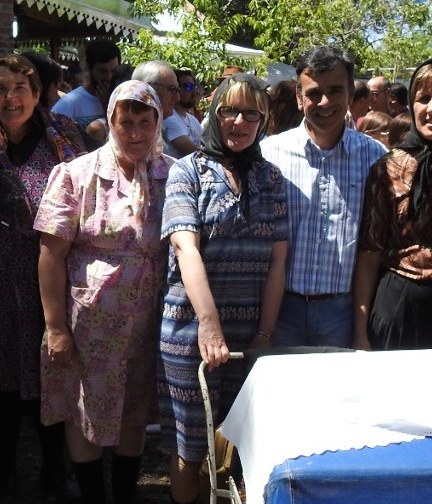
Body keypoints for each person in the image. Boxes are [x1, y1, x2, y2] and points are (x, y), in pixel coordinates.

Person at [34, 80, 172, 504]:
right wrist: (55, 327)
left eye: (144, 122)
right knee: (84, 410)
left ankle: (126, 496)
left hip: (148, 320)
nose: (135, 132)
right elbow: (50, 255)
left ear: (157, 122)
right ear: (110, 121)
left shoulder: (172, 173)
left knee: (134, 409)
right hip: (89, 323)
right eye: (125, 122)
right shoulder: (76, 174)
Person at [158, 73, 287, 504]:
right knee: (191, 447)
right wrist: (208, 325)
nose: (239, 122)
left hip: (249, 336)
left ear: (263, 121)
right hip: (190, 332)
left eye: (251, 114)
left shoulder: (271, 178)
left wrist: (265, 334)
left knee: (240, 446)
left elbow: (278, 261)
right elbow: (185, 247)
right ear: (214, 113)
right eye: (229, 110)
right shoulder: (187, 171)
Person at [0, 53, 87, 500]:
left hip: (54, 281)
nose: (10, 97)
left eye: (20, 88)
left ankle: (56, 470)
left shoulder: (65, 139)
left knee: (51, 376)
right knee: (3, 381)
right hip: (0, 285)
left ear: (37, 94)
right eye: (0, 89)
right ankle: (4, 471)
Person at [352, 58, 432, 359]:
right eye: (423, 98)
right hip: (401, 306)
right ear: (412, 104)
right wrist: (360, 332)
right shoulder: (388, 167)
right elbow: (370, 254)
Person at [261, 46, 386, 348]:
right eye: (314, 93)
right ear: (299, 97)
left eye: (335, 91)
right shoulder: (269, 155)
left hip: (343, 313)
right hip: (279, 311)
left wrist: (360, 330)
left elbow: (374, 247)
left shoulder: (375, 158)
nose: (325, 102)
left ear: (350, 93)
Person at [51, 39, 120, 129]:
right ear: (89, 68)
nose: (109, 77)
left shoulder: (124, 99)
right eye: (103, 71)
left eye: (113, 71)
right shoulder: (69, 104)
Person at [163, 68, 203, 157]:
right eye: (188, 87)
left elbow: (205, 144)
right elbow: (193, 153)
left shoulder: (192, 119)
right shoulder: (169, 118)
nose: (194, 92)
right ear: (176, 89)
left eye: (195, 86)